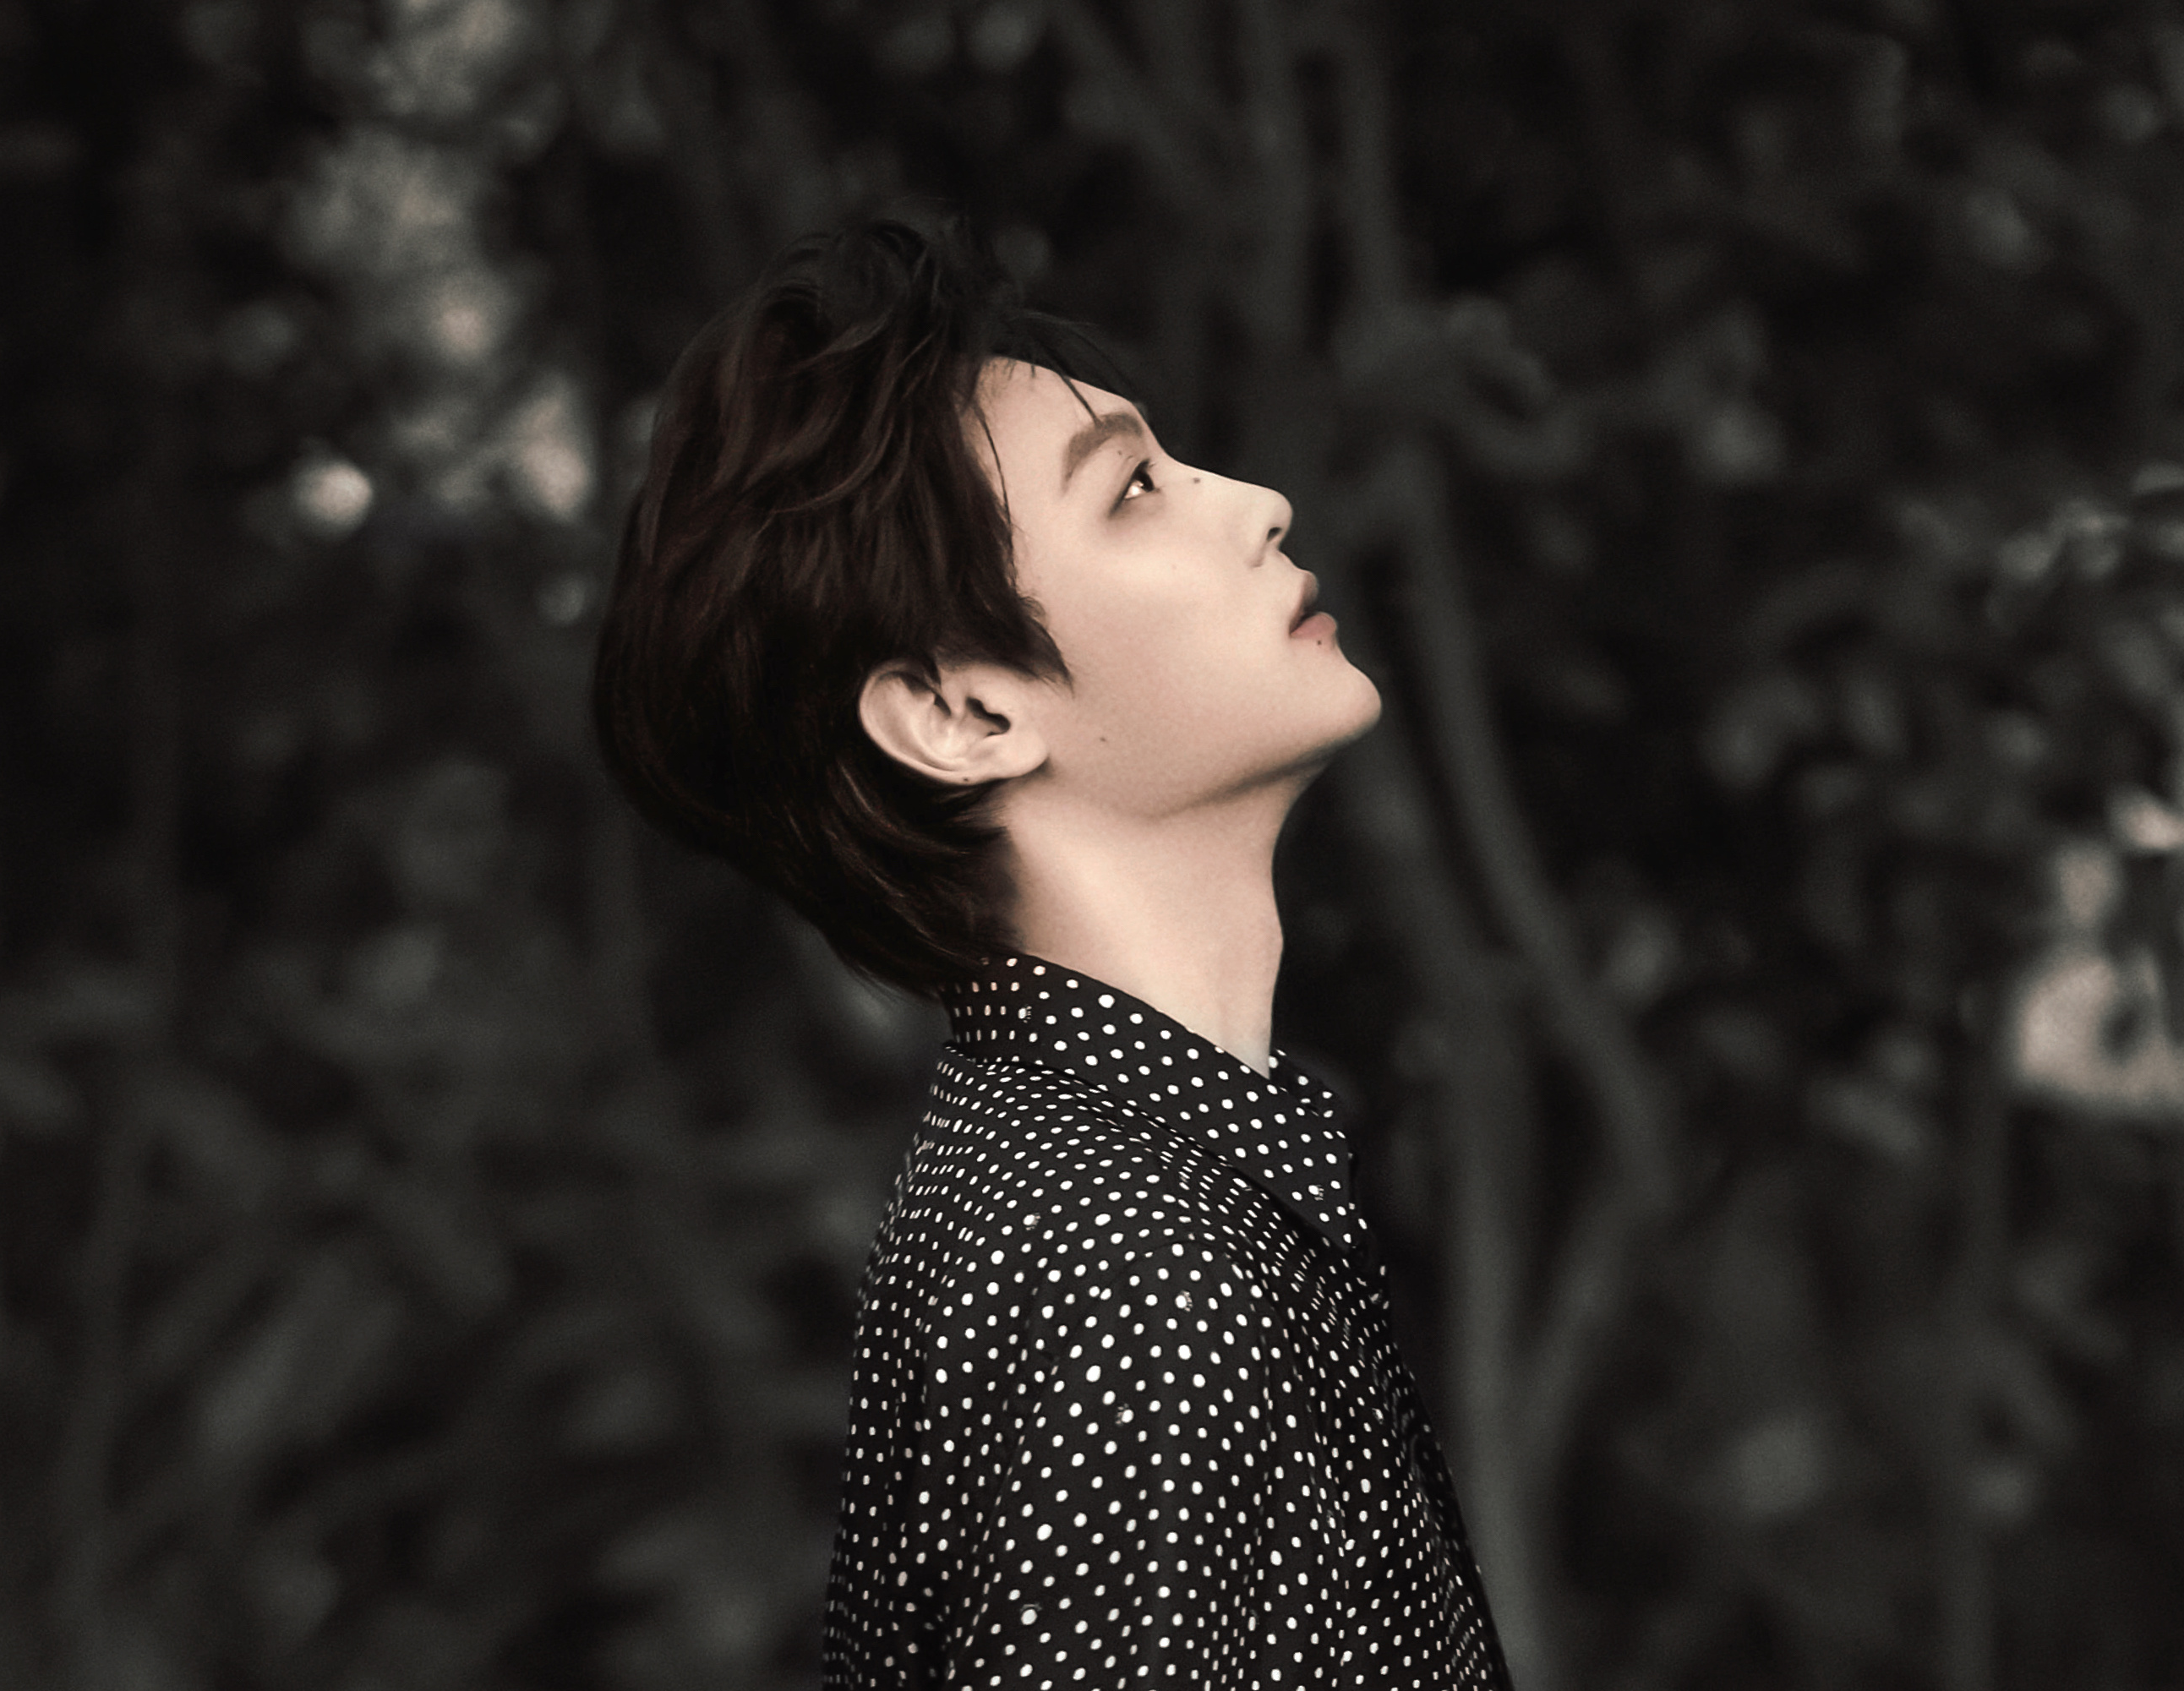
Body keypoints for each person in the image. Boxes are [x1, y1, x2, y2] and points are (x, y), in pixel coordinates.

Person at [592, 213, 1511, 1689]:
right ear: (961, 715)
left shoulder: (1102, 1179)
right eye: (1131, 490)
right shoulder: (1130, 1276)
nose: (1259, 503)